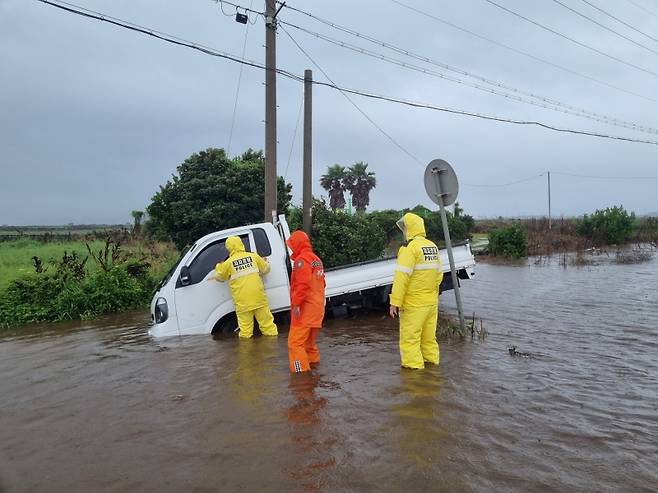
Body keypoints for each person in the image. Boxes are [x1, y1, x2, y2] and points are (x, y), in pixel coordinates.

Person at [389, 213, 443, 369]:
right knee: (429, 340)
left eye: (404, 229)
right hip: (431, 304)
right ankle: (433, 373)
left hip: (414, 304)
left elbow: (401, 278)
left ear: (409, 229)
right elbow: (439, 276)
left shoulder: (409, 249)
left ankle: (416, 381)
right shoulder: (432, 246)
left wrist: (394, 303)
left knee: (410, 341)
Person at [211, 236, 278, 338]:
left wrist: (218, 266)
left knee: (246, 332)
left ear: (229, 248)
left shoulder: (228, 263)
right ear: (241, 244)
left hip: (243, 303)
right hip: (259, 299)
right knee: (268, 327)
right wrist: (266, 262)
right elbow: (266, 269)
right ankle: (274, 350)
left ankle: (246, 352)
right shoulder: (253, 256)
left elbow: (219, 277)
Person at [286, 230, 326, 373]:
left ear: (297, 245)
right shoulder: (316, 259)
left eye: (292, 245)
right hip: (317, 309)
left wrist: (296, 304)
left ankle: (300, 374)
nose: (291, 248)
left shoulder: (301, 260)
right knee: (309, 344)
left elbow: (303, 285)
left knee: (295, 344)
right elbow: (323, 284)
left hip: (305, 310)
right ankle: (314, 368)